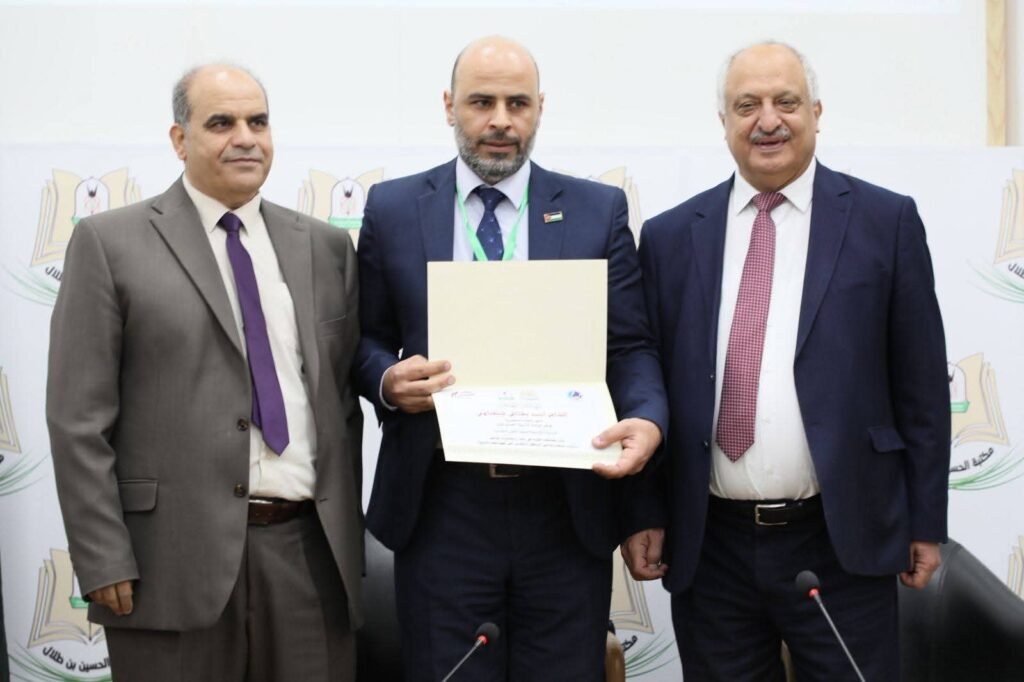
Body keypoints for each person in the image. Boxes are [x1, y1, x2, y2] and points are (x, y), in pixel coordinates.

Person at [622, 41, 950, 681]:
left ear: (817, 113)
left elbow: (921, 389)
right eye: (747, 105)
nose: (767, 120)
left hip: (841, 540)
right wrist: (644, 511)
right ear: (724, 122)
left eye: (786, 102)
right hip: (710, 546)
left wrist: (925, 522)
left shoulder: (886, 222)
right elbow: (644, 378)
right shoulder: (668, 238)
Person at [355, 35, 668, 681]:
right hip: (442, 506)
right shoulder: (393, 208)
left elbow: (630, 345)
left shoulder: (596, 210)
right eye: (482, 102)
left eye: (517, 103)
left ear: (539, 109)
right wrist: (386, 379)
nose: (500, 120)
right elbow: (362, 337)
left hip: (563, 507)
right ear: (449, 106)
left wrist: (647, 417)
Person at [46, 64, 363, 682]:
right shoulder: (110, 243)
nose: (245, 138)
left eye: (258, 122)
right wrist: (102, 556)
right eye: (221, 123)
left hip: (307, 560)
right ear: (179, 139)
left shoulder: (326, 247)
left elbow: (343, 408)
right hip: (166, 563)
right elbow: (77, 419)